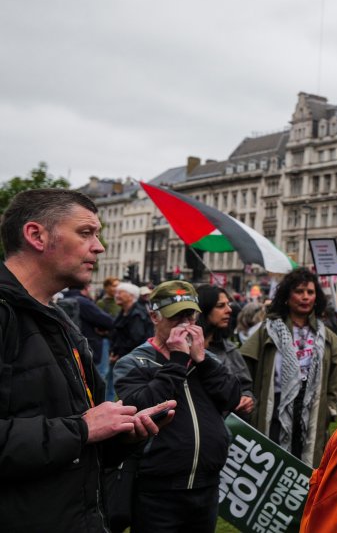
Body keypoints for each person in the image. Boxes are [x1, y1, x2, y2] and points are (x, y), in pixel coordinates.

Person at [0, 189, 171, 531]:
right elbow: (77, 430)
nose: (99, 246)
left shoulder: (61, 322)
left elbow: (76, 444)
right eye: (85, 233)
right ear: (36, 235)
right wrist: (82, 429)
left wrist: (119, 436)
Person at [114, 280, 241, 532]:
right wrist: (178, 360)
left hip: (206, 484)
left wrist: (202, 361)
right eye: (175, 317)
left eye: (189, 317)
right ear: (154, 316)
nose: (184, 325)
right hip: (158, 488)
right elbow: (141, 407)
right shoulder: (134, 362)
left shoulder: (206, 358)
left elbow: (231, 398)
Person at [241, 267, 337, 466]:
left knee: (305, 464)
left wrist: (330, 408)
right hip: (274, 408)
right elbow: (245, 369)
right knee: (271, 460)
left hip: (312, 408)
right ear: (287, 296)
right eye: (299, 291)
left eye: (310, 292)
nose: (305, 297)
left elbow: (334, 378)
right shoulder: (268, 330)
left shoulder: (325, 335)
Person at [196, 284, 255, 418]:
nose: (229, 310)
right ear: (203, 309)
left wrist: (246, 398)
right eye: (220, 306)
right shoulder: (182, 349)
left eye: (228, 304)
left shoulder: (230, 349)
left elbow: (245, 387)